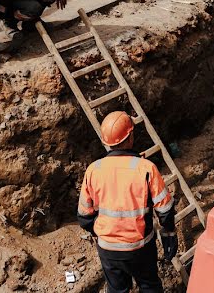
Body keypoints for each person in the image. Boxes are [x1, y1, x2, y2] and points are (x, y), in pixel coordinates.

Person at [77, 111, 177, 293]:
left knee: (116, 290)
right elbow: (165, 209)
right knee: (149, 287)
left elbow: (84, 217)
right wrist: (169, 233)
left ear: (105, 142)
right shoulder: (146, 168)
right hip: (140, 249)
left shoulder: (93, 170)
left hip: (108, 251)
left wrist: (104, 234)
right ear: (130, 137)